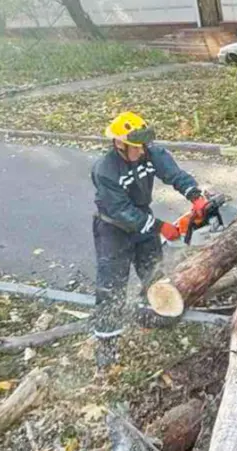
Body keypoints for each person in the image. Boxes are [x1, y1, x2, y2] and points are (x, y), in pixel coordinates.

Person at [91, 111, 210, 369]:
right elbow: (121, 211)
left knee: (153, 274)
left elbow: (173, 173)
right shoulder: (105, 170)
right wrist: (159, 227)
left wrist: (195, 195)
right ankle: (107, 344)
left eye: (144, 145)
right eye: (136, 146)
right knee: (111, 286)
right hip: (113, 229)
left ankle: (150, 318)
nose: (142, 150)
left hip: (142, 220)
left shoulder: (149, 152)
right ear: (119, 144)